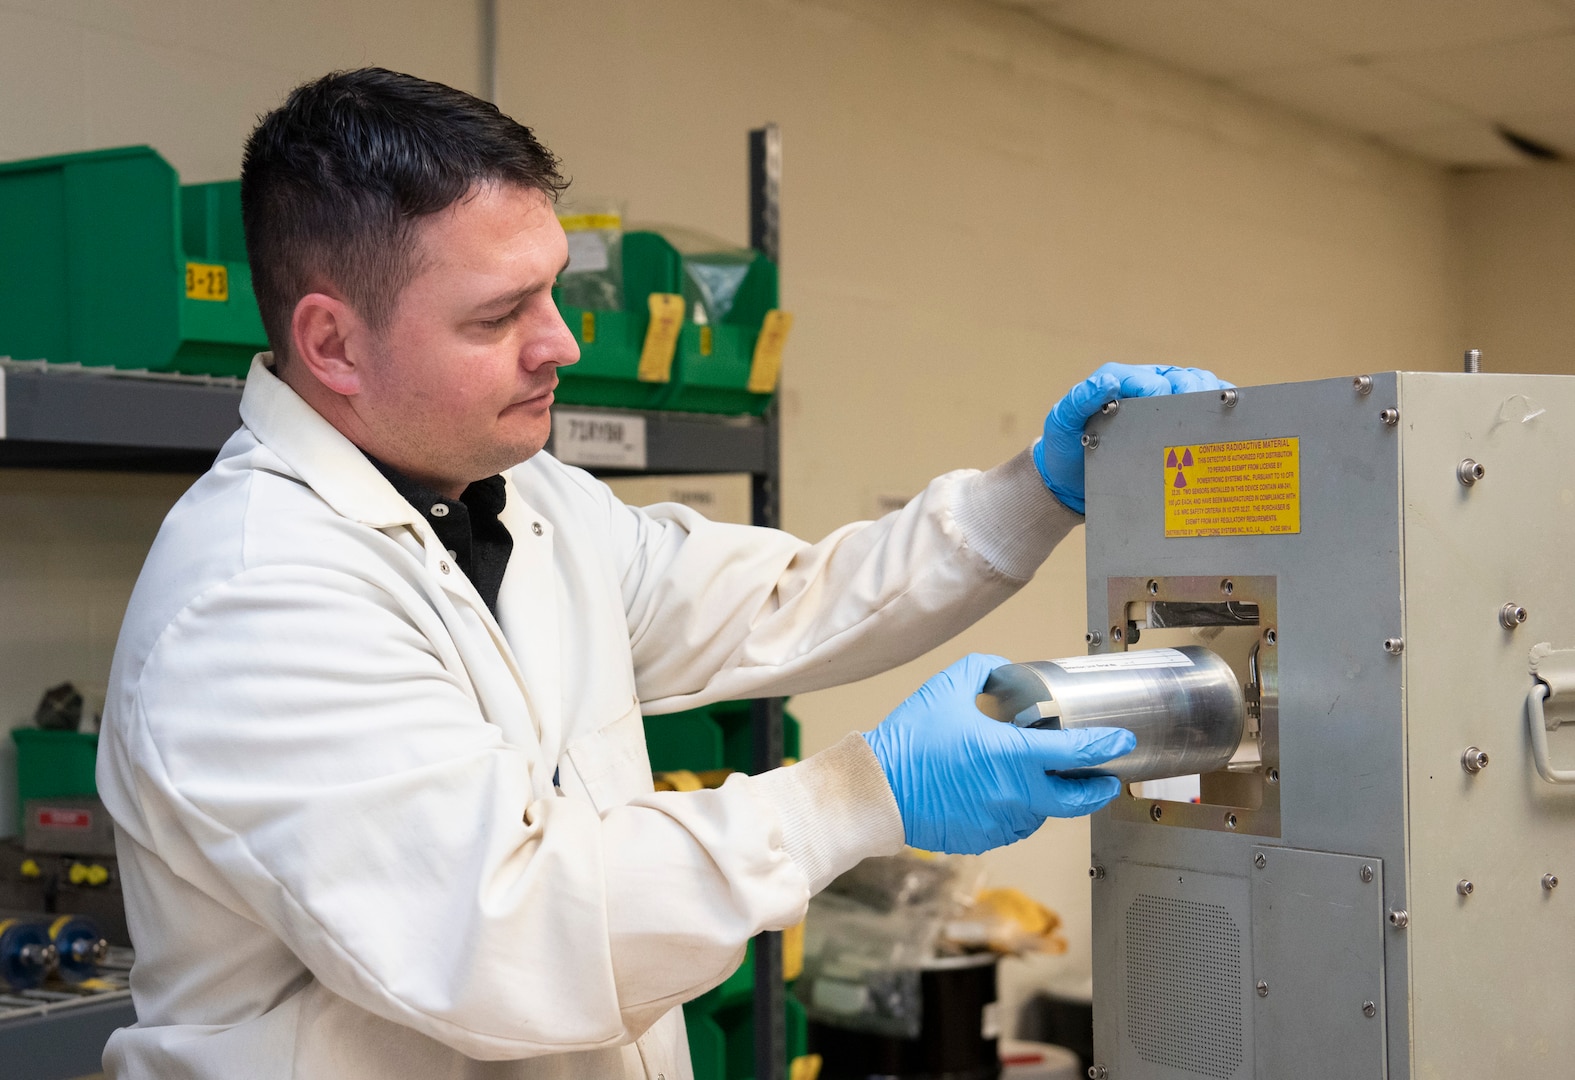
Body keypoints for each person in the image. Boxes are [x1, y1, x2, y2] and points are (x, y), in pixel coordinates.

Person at [94, 68, 1229, 1079]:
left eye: (552, 289)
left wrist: (1035, 490)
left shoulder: (527, 502)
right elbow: (510, 937)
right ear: (333, 344)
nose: (562, 343)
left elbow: (789, 602)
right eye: (498, 316)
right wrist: (865, 793)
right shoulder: (254, 595)